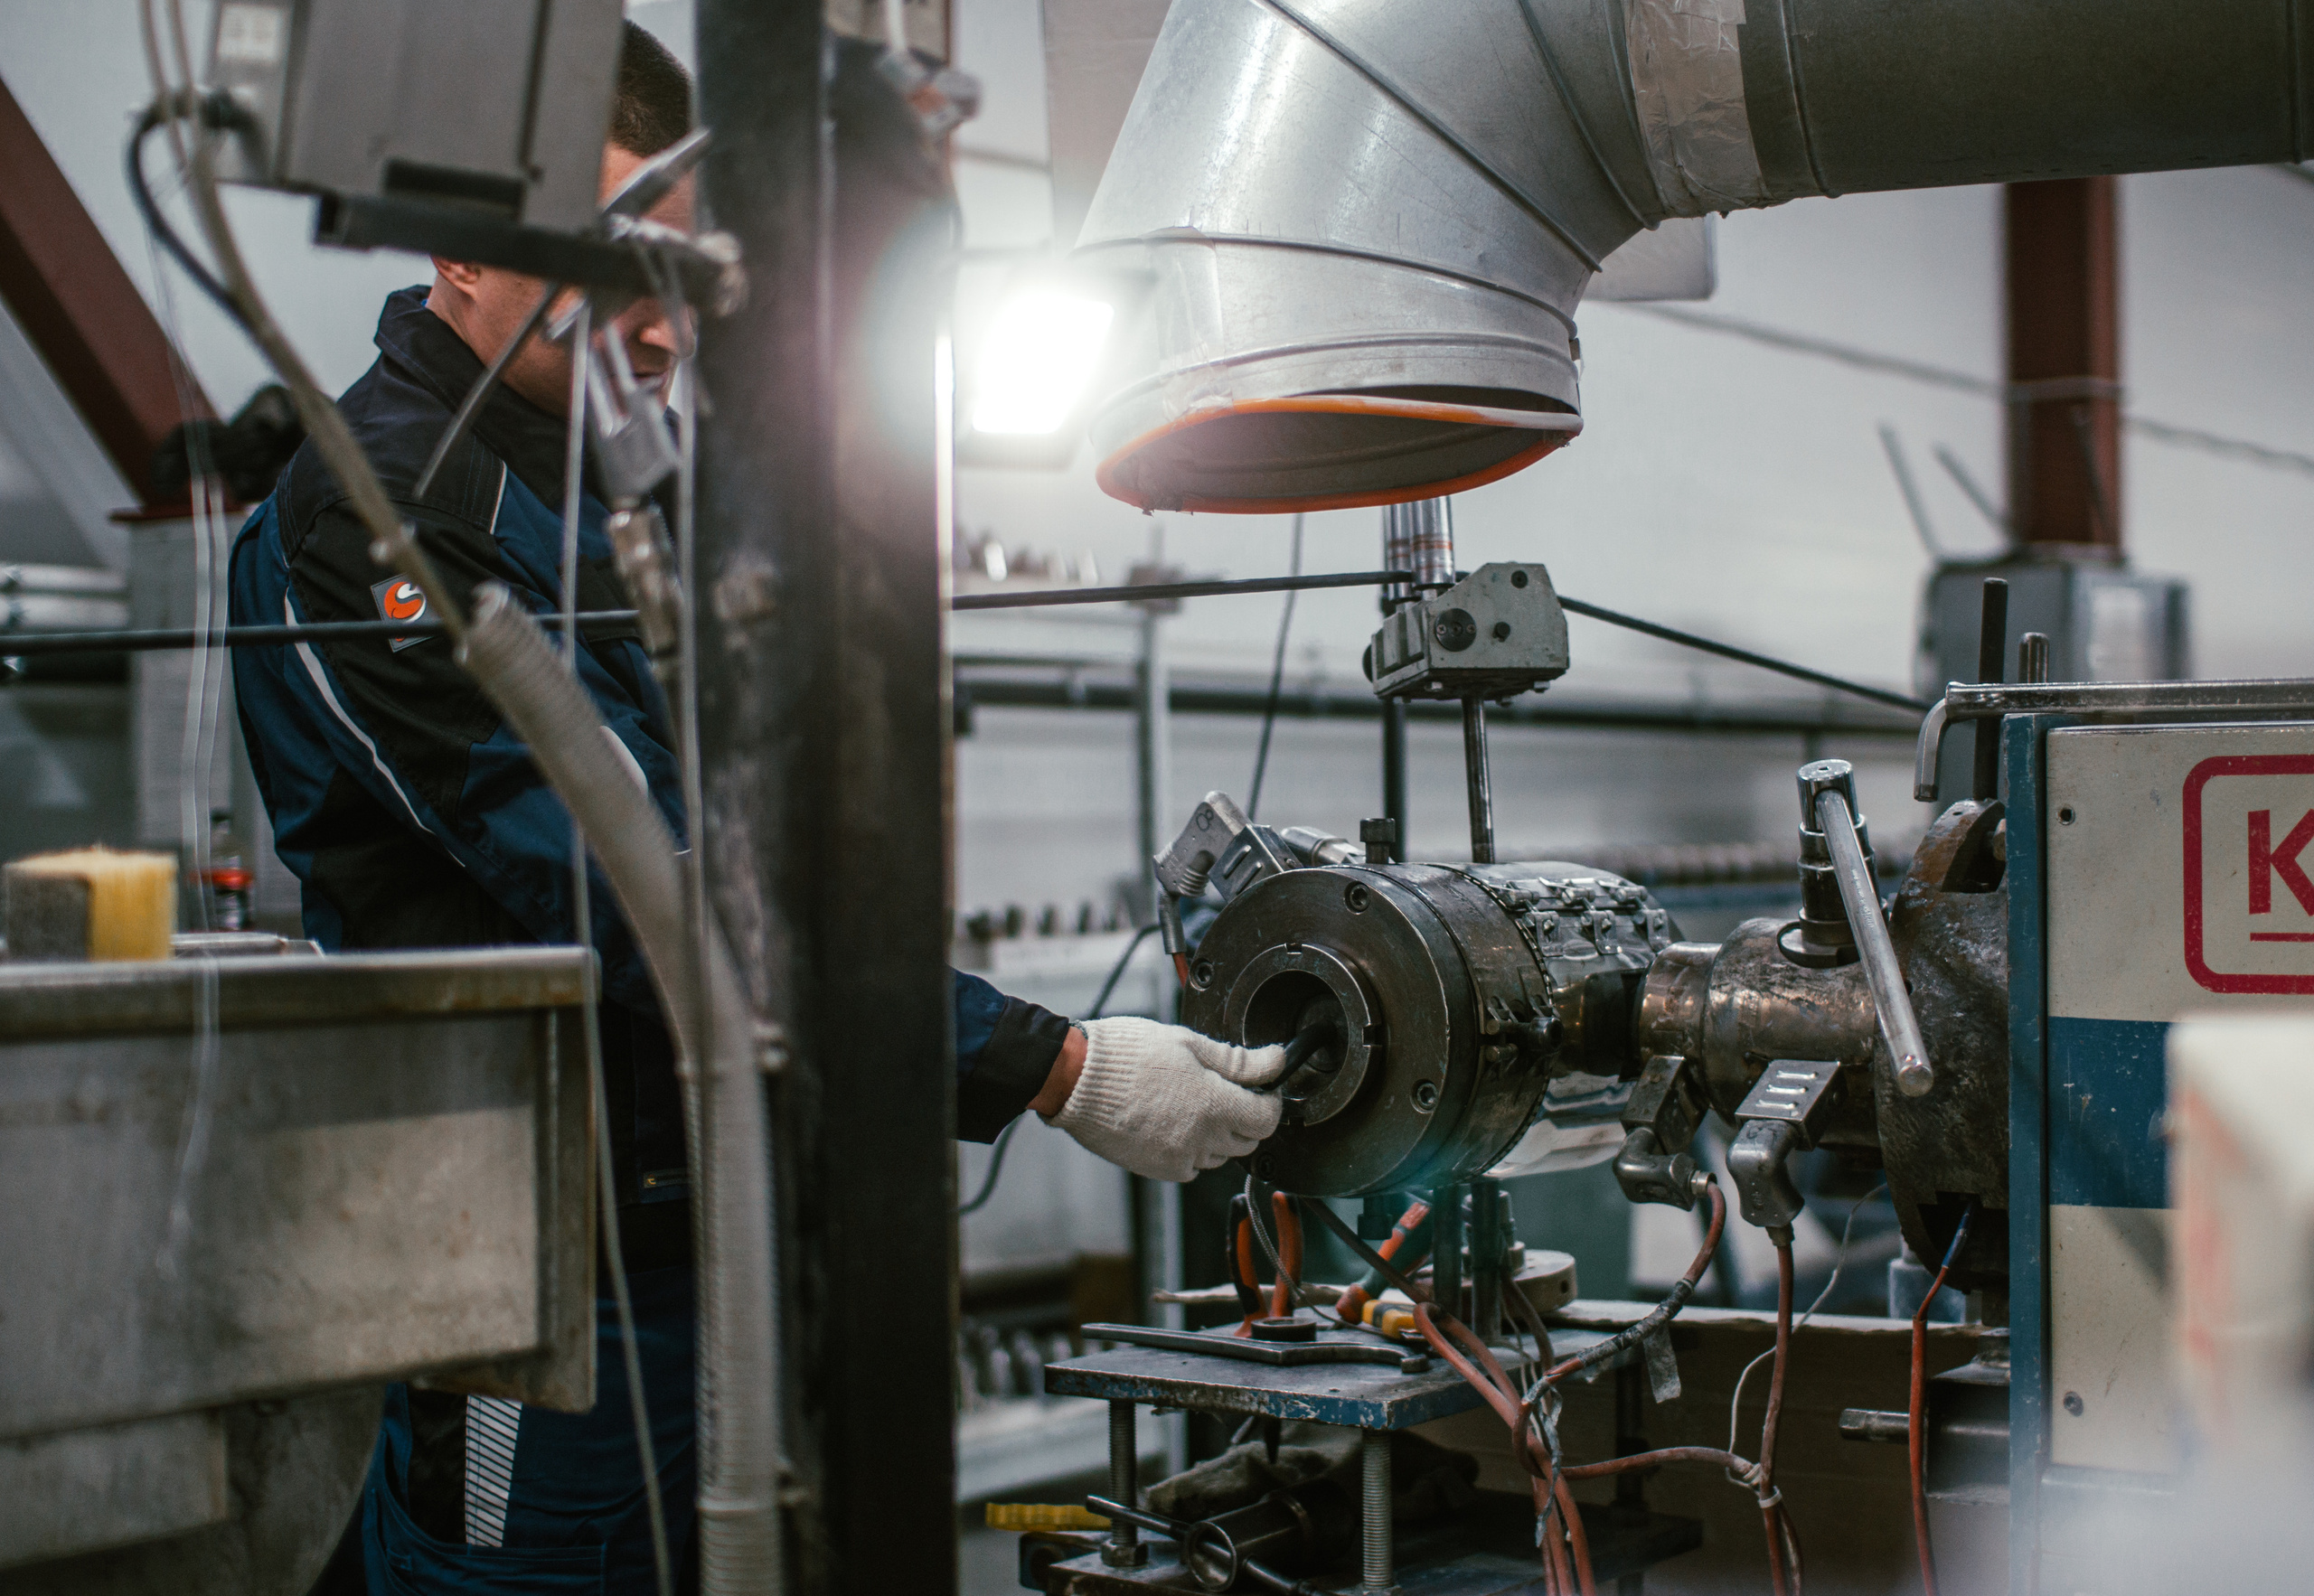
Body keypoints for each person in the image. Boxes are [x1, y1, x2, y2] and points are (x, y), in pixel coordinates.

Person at [227, 23, 1286, 1595]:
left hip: (737, 1235)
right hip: (548, 1295)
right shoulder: (371, 520)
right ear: (459, 245)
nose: (660, 326)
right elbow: (644, 899)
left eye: (679, 266)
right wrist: (1052, 1063)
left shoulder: (630, 484)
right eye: (613, 262)